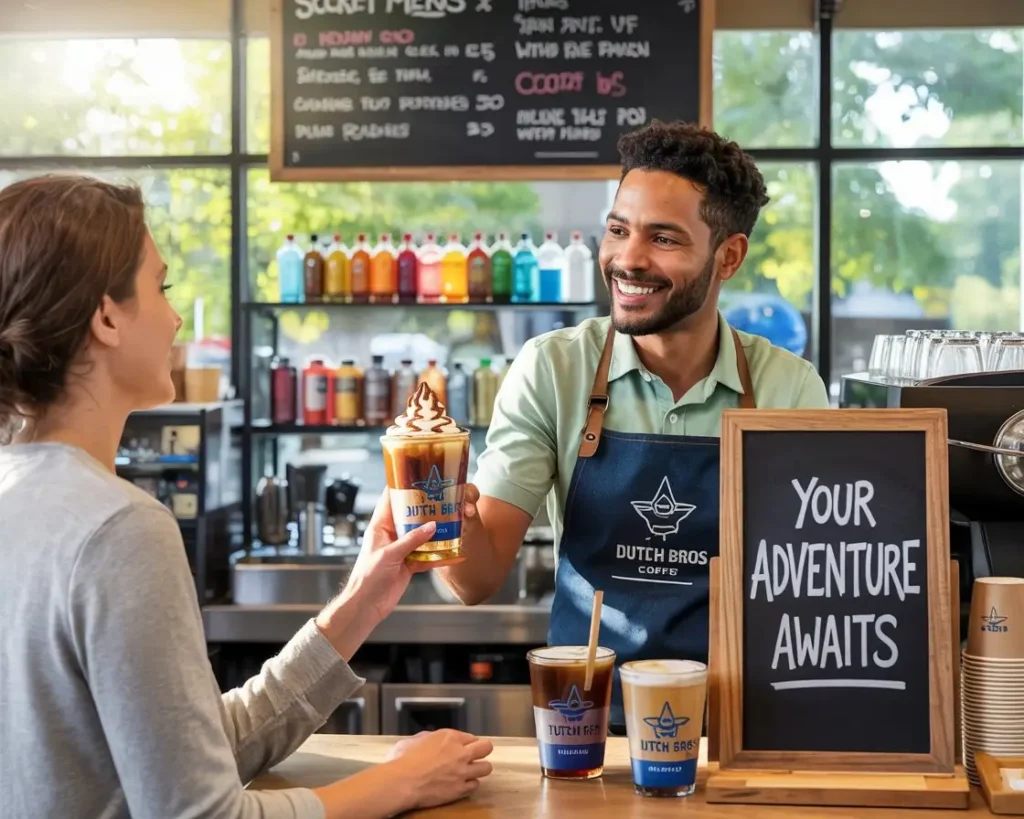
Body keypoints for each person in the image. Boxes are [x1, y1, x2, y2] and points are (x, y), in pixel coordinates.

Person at [0, 174, 493, 819]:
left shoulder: (24, 493)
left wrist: (360, 605)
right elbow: (202, 814)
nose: (176, 316)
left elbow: (185, 752)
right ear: (106, 316)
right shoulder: (119, 528)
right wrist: (399, 782)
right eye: (161, 286)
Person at [437, 121, 831, 729]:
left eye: (663, 238)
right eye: (618, 230)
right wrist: (437, 506)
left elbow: (815, 581)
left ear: (728, 256)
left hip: (740, 727)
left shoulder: (790, 389)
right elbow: (475, 582)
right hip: (588, 726)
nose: (627, 259)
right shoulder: (553, 369)